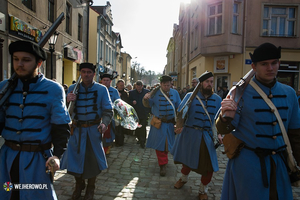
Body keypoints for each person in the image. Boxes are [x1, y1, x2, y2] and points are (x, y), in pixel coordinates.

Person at [215, 43, 300, 200]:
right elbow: (225, 128)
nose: (270, 68)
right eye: (264, 64)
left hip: (279, 164)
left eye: (274, 63)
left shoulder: (289, 93)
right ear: (254, 66)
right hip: (248, 164)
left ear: (279, 64)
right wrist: (225, 116)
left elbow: (295, 134)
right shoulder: (239, 93)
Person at [0, 40, 71, 200]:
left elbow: (61, 127)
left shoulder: (53, 89)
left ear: (38, 63)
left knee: (37, 195)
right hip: (7, 160)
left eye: (26, 60)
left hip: (37, 161)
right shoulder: (4, 87)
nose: (19, 64)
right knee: (8, 193)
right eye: (16, 59)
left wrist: (57, 155)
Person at [61, 63, 113, 200]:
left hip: (93, 131)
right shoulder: (72, 89)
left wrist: (104, 124)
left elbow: (108, 110)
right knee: (74, 161)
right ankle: (79, 186)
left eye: (89, 72)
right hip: (76, 131)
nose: (86, 74)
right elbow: (65, 112)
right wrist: (67, 102)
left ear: (93, 74)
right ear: (80, 73)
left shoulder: (102, 90)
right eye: (83, 72)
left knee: (92, 162)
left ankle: (91, 188)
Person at [171, 71, 222, 200]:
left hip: (207, 136)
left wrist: (220, 134)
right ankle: (183, 179)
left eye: (211, 82)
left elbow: (219, 120)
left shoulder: (217, 99)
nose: (209, 84)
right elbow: (180, 113)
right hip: (190, 134)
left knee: (209, 166)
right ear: (201, 83)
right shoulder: (190, 96)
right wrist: (178, 125)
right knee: (187, 162)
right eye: (207, 82)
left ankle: (202, 190)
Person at [143, 75, 181, 176]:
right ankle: (162, 164)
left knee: (168, 144)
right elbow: (147, 104)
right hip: (159, 123)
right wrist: (146, 99)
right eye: (164, 85)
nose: (166, 87)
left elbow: (179, 107)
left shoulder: (175, 93)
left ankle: (164, 160)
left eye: (168, 85)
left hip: (170, 123)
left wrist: (179, 122)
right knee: (160, 144)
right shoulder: (154, 93)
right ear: (161, 84)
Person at [100, 73, 120, 154]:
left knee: (108, 134)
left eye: (107, 80)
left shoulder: (114, 91)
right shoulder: (98, 89)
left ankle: (106, 148)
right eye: (104, 80)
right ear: (101, 81)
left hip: (109, 116)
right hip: (99, 115)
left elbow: (118, 103)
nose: (105, 82)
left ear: (110, 81)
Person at [129, 80, 151, 148]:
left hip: (144, 113)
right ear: (135, 86)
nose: (138, 88)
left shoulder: (146, 92)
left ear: (142, 86)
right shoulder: (132, 93)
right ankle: (139, 138)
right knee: (137, 128)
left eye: (139, 87)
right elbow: (128, 101)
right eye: (137, 87)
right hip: (135, 113)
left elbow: (149, 102)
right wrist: (132, 102)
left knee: (143, 127)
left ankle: (142, 142)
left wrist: (149, 111)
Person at [115, 79, 130, 146]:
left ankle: (120, 141)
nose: (121, 86)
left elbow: (127, 103)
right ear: (117, 85)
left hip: (122, 113)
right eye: (120, 85)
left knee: (121, 127)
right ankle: (116, 140)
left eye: (123, 85)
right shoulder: (114, 92)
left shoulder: (126, 93)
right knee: (116, 127)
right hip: (115, 112)